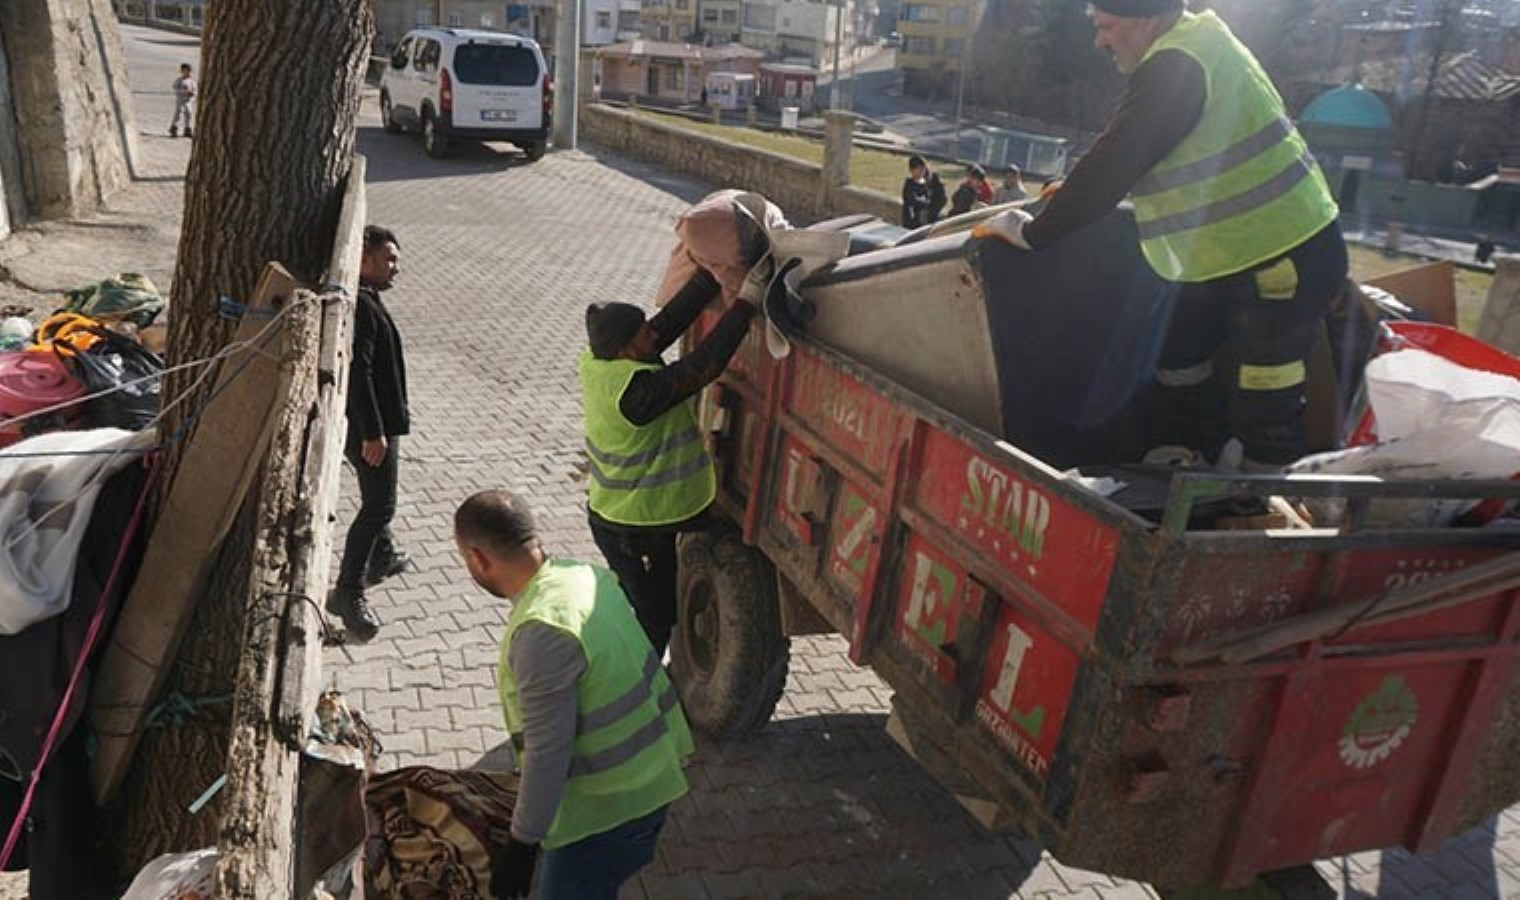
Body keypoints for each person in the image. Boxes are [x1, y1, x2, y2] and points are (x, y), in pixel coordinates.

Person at [975, 0, 1347, 469]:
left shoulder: (1177, 66)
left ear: (1146, 19)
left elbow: (1117, 161)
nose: (1100, 40)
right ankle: (1204, 449)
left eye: (1107, 26)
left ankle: (1256, 499)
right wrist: (1071, 194)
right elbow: (1147, 153)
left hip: (1282, 258)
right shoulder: (1199, 42)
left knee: (1266, 398)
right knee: (1178, 349)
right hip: (1235, 255)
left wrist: (1035, 233)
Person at [454, 490, 693, 900]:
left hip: (607, 813)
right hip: (652, 778)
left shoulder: (540, 633)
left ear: (477, 558)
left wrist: (522, 844)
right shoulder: (584, 576)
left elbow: (548, 753)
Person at [579, 229, 772, 654]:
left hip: (636, 517)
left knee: (652, 604)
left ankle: (633, 660)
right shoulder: (636, 395)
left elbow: (664, 326)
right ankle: (636, 679)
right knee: (654, 617)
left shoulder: (602, 359)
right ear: (626, 349)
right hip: (631, 525)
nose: (653, 336)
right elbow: (704, 366)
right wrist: (745, 303)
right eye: (642, 334)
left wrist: (708, 274)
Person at [328, 225, 411, 642]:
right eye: (388, 259)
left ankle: (383, 554)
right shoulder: (360, 306)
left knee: (376, 500)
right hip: (371, 429)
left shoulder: (366, 298)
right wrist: (373, 432)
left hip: (376, 424)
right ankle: (348, 593)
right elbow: (358, 373)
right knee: (378, 508)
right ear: (362, 259)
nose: (396, 267)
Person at [901, 155, 947, 228]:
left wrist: (931, 210)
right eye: (917, 170)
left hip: (930, 219)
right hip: (912, 221)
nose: (920, 172)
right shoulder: (910, 184)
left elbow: (942, 199)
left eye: (921, 170)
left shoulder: (933, 181)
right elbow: (910, 200)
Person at [169, 63, 195, 139]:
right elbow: (175, 88)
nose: (187, 72)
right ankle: (173, 128)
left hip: (188, 100)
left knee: (188, 114)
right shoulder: (179, 80)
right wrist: (183, 91)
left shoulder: (191, 81)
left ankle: (187, 128)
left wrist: (192, 93)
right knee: (178, 113)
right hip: (180, 99)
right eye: (185, 71)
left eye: (188, 71)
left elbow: (194, 89)